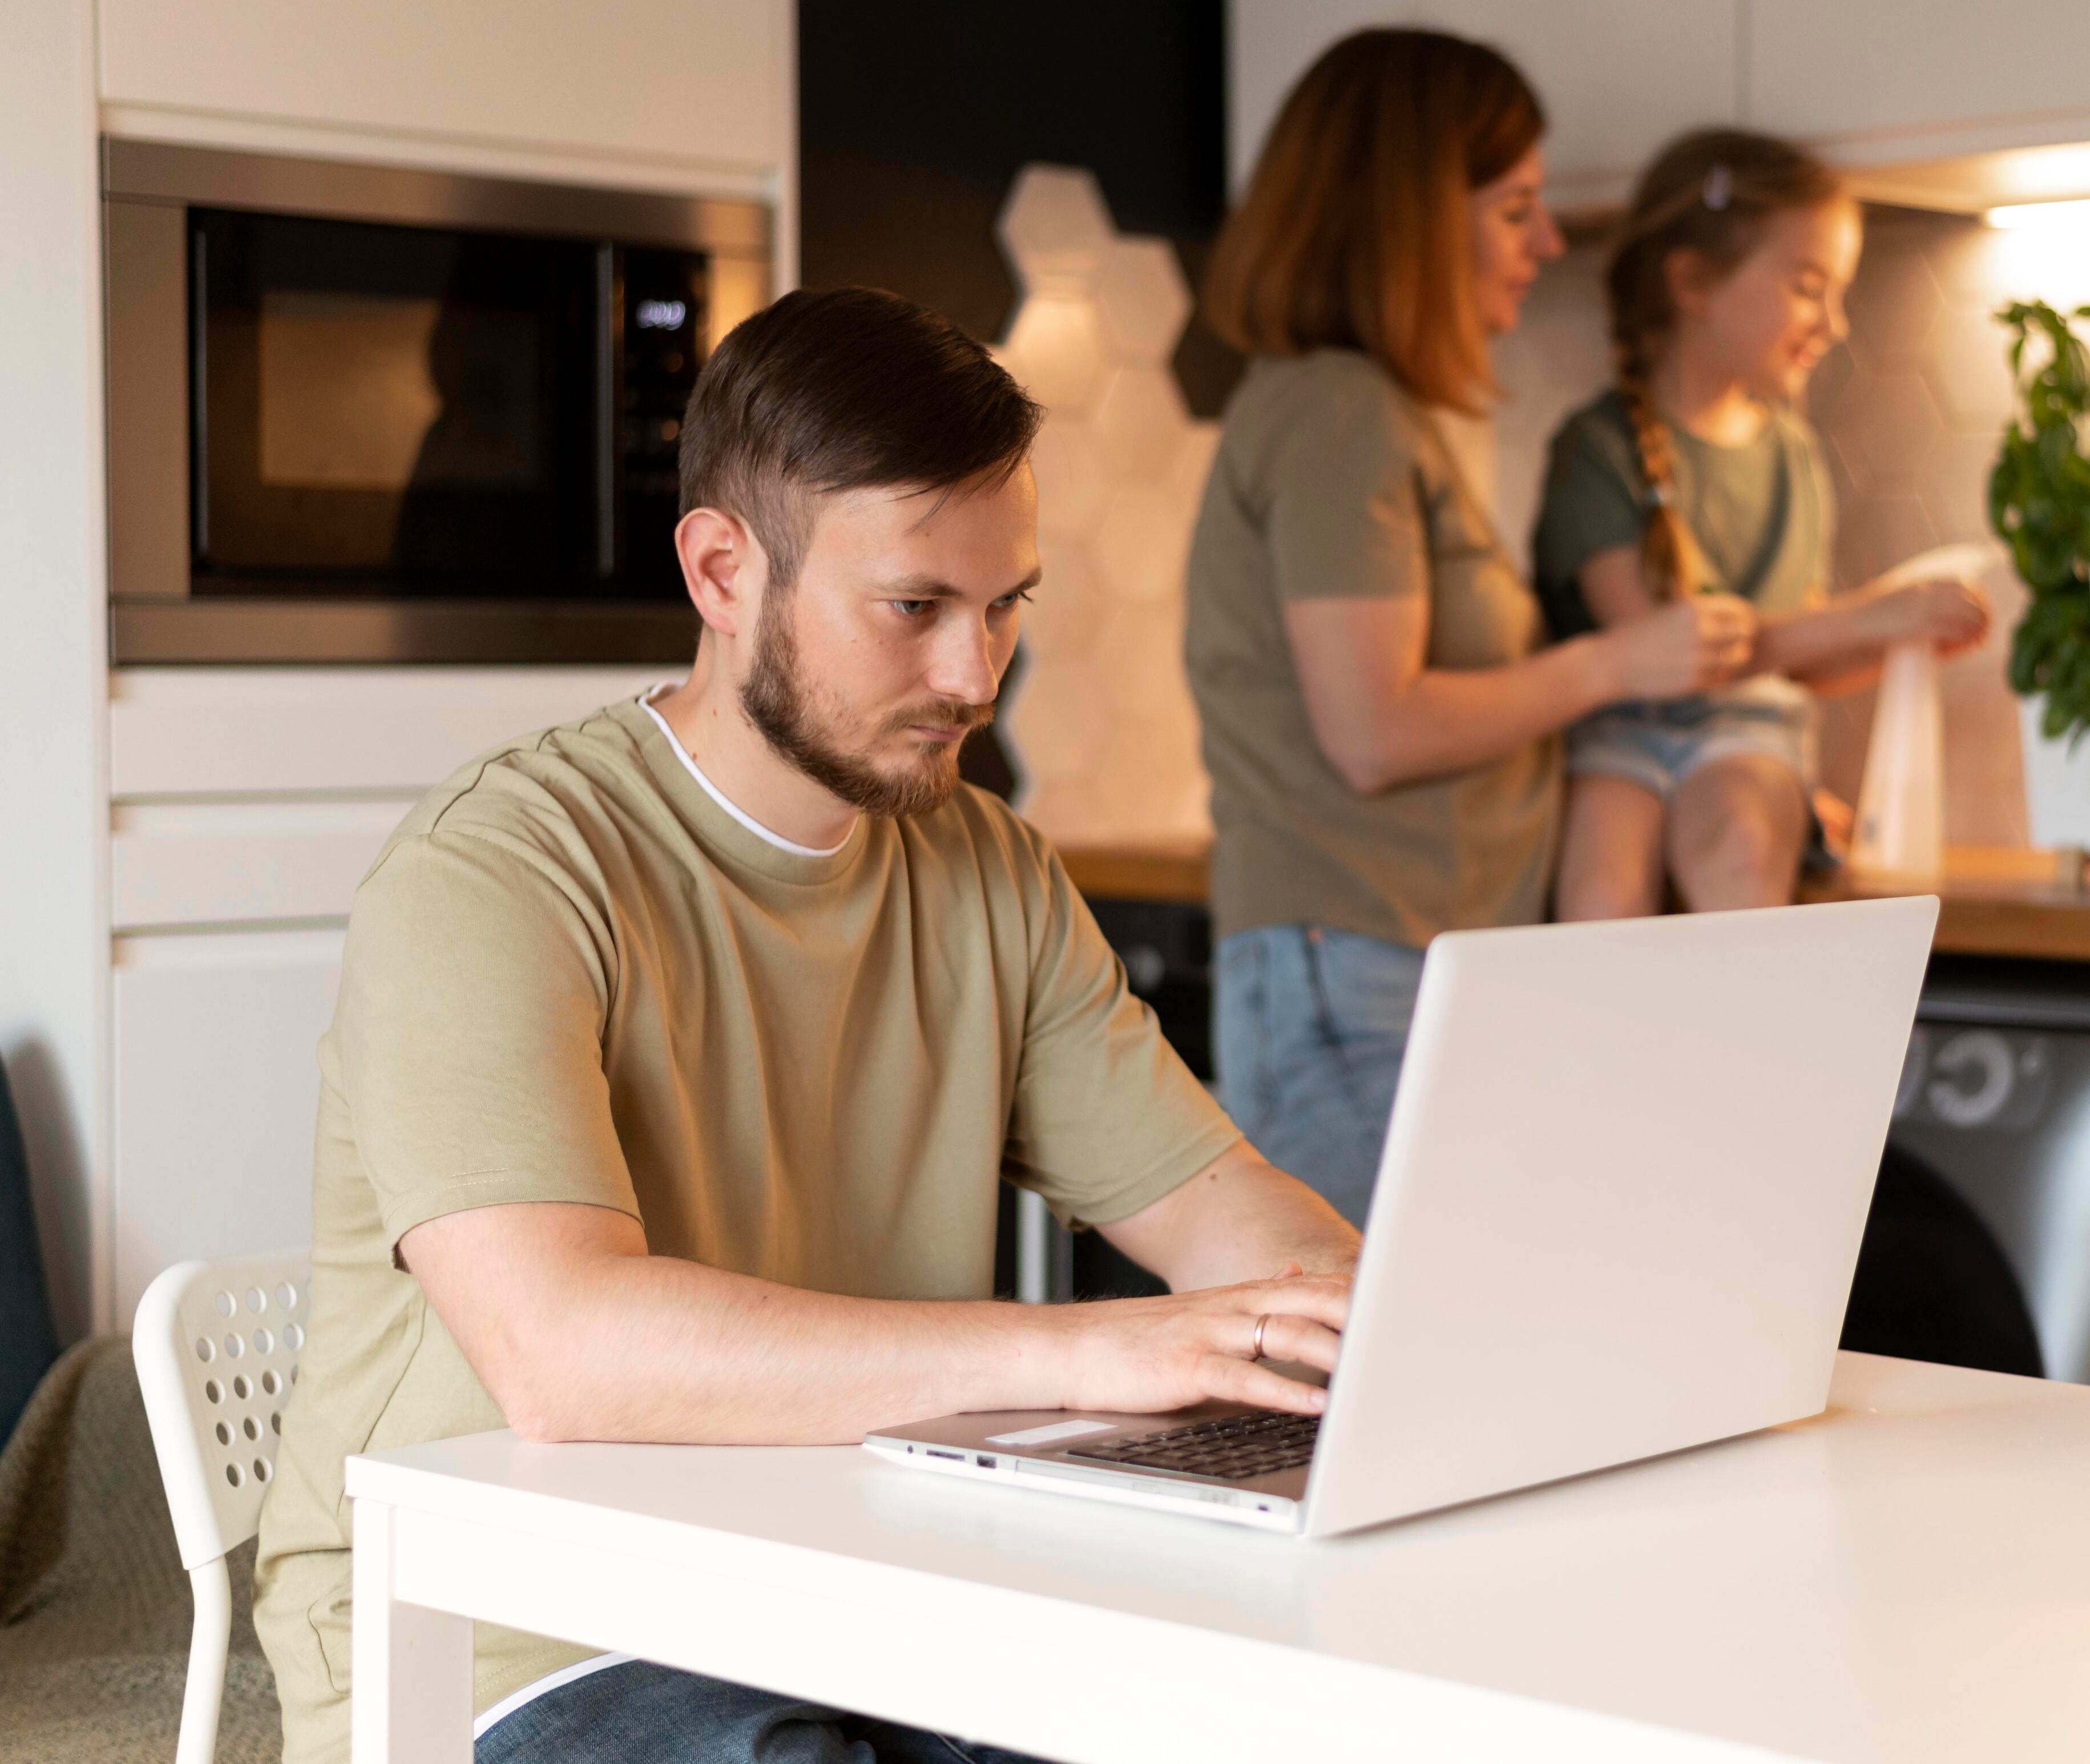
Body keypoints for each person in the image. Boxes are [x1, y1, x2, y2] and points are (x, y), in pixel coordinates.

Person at [253, 287, 1363, 1764]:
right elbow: (565, 1353)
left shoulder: (990, 870)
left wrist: (1377, 1327)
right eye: (915, 609)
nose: (976, 675)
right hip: (509, 1630)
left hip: (850, 1586)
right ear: (722, 571)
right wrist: (1094, 1355)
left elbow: (1237, 1227)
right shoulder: (496, 870)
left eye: (1009, 605)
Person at [1186, 30, 1758, 1230]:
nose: (1545, 245)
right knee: (1372, 1380)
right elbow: (1374, 728)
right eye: (1515, 210)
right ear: (1405, 222)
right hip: (1354, 971)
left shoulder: (1368, 412)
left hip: (1389, 967)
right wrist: (1616, 661)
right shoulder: (1339, 412)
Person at [1531, 130, 1991, 920]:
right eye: (1809, 286)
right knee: (1601, 898)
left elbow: (1796, 658)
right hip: (1615, 734)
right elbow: (1665, 654)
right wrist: (1870, 614)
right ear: (1693, 283)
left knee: (1743, 852)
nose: (1834, 322)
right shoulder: (1597, 451)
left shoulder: (1792, 455)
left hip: (1749, 734)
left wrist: (1893, 640)